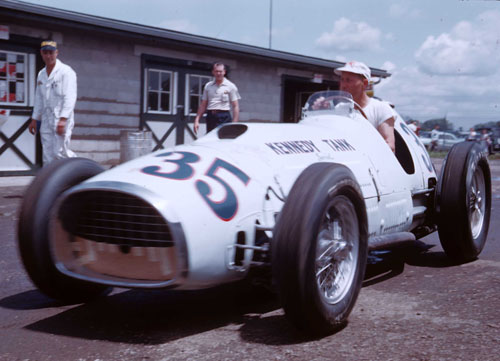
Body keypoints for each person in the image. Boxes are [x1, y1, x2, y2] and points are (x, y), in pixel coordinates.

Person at [29, 40, 77, 165]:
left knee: (61, 153)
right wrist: (35, 119)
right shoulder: (41, 74)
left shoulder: (66, 72)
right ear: (41, 53)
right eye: (45, 53)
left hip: (61, 119)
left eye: (51, 52)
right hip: (46, 119)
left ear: (57, 53)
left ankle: (79, 170)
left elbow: (70, 97)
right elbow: (39, 98)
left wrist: (63, 118)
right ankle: (50, 181)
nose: (48, 56)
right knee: (47, 154)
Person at [334, 61, 395, 152]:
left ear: (365, 83)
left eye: (348, 80)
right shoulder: (339, 108)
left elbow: (390, 146)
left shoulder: (381, 109)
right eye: (342, 80)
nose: (343, 85)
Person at [193, 62, 241, 134]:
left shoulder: (230, 86)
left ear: (224, 72)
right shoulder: (208, 86)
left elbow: (235, 106)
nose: (218, 73)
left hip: (224, 116)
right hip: (211, 116)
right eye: (216, 71)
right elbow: (203, 104)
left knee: (223, 139)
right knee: (210, 138)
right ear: (213, 72)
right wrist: (197, 120)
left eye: (220, 71)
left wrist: (234, 123)